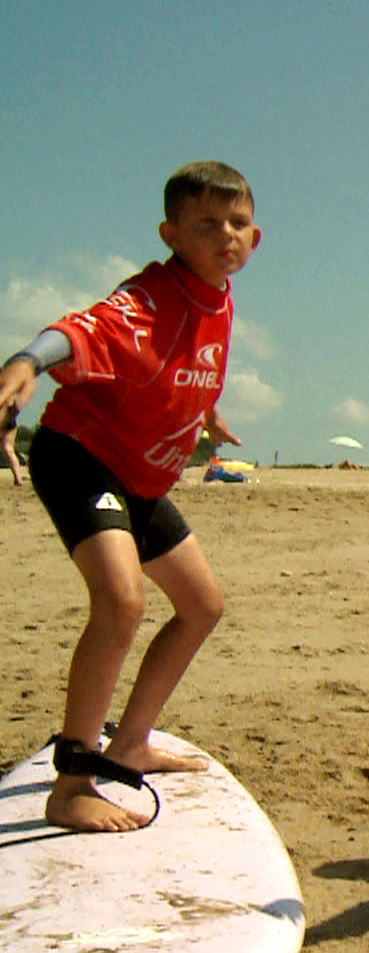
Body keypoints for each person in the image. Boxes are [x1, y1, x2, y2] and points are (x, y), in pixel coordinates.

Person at [0, 161, 261, 831]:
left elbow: (184, 363)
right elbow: (79, 330)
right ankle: (73, 781)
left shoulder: (220, 297)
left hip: (140, 479)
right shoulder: (148, 297)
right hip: (81, 458)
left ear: (254, 238)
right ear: (171, 234)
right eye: (206, 224)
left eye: (236, 224)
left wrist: (204, 412)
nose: (224, 235)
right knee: (121, 602)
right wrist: (27, 362)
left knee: (202, 605)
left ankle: (133, 739)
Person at [2, 399, 22, 485]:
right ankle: (18, 478)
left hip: (7, 420)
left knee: (8, 450)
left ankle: (18, 478)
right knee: (8, 450)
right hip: (7, 418)